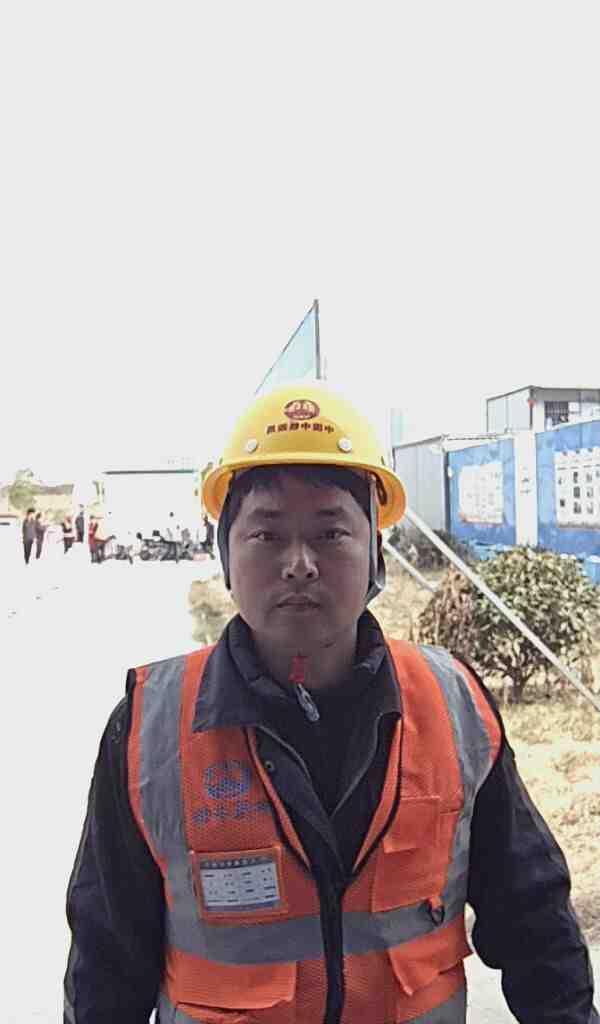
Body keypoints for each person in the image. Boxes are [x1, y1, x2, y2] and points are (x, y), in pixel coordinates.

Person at [64, 383, 598, 1024]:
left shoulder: (452, 703)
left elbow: (534, 920)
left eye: (330, 533)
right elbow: (106, 964)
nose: (299, 564)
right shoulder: (147, 729)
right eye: (266, 534)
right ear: (226, 556)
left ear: (375, 555)